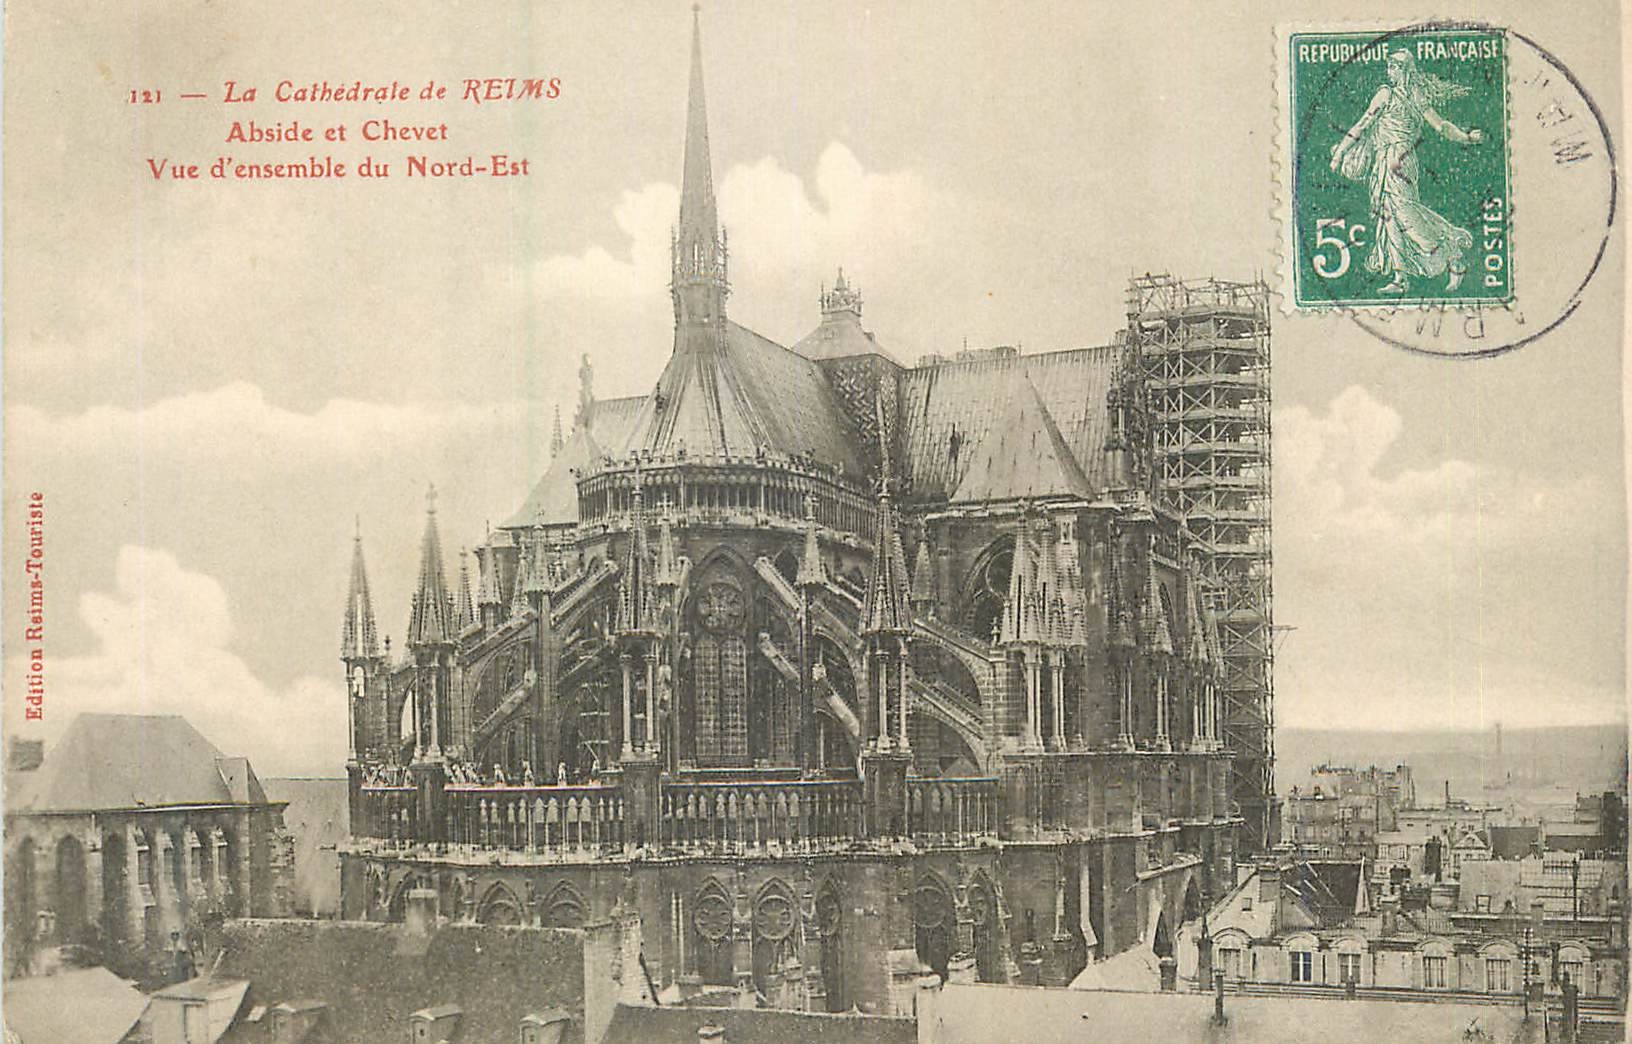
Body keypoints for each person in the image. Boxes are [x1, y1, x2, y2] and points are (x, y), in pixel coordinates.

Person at [1329, 49, 1484, 294]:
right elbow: (1363, 124)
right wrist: (1340, 152)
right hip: (1383, 159)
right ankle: (1400, 277)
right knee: (1389, 217)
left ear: (1405, 70)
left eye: (1394, 67)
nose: (1389, 71)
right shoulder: (1385, 94)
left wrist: (1466, 137)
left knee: (1406, 213)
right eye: (1389, 67)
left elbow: (1441, 126)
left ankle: (1453, 255)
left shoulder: (1412, 95)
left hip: (1400, 161)